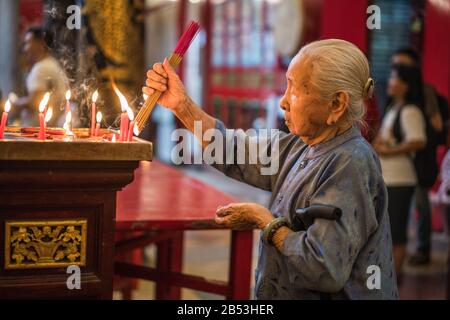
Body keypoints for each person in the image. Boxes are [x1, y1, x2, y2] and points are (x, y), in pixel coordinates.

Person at [144, 39, 398, 299]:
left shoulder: (350, 164)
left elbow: (324, 268)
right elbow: (229, 149)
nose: (283, 102)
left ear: (336, 104)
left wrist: (266, 222)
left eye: (295, 90)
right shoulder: (301, 145)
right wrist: (181, 105)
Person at [391, 48, 447, 265]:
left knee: (421, 203)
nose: (397, 70)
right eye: (395, 65)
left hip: (421, 160)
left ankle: (423, 249)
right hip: (400, 164)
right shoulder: (395, 95)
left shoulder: (426, 93)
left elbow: (437, 127)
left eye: (402, 65)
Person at [373, 64, 427, 283]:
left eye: (395, 78)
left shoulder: (410, 110)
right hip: (390, 179)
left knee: (396, 233)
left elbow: (418, 140)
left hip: (400, 179)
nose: (390, 82)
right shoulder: (395, 108)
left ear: (406, 85)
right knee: (387, 231)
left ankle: (394, 281)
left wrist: (388, 150)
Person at [11, 27, 69, 126]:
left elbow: (35, 102)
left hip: (38, 132)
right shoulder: (51, 63)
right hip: (51, 128)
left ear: (41, 43)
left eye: (28, 42)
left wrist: (15, 103)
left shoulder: (41, 68)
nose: (25, 49)